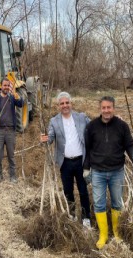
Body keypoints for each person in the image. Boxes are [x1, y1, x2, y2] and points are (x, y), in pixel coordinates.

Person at [84, 96, 133, 249]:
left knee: (117, 203)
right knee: (99, 203)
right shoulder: (91, 126)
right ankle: (103, 235)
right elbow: (87, 149)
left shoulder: (122, 126)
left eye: (109, 107)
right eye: (104, 108)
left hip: (117, 171)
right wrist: (86, 168)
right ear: (100, 109)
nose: (106, 110)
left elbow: (129, 144)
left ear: (114, 108)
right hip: (98, 173)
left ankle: (116, 233)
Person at [40, 92, 91, 228]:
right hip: (65, 162)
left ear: (71, 104)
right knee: (68, 191)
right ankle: (72, 216)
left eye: (67, 103)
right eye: (62, 103)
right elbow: (50, 138)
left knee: (83, 190)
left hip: (81, 161)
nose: (65, 106)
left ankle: (86, 219)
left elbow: (94, 127)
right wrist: (44, 139)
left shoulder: (81, 117)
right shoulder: (54, 121)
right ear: (58, 106)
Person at [0, 77, 23, 183]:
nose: (6, 87)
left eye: (8, 85)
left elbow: (21, 104)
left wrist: (16, 95)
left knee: (11, 155)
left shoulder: (12, 97)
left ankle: (12, 176)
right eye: (4, 85)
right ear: (1, 86)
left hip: (10, 131)